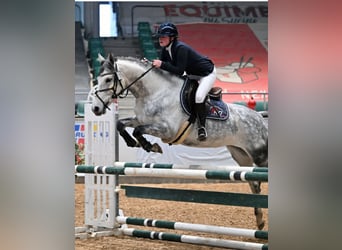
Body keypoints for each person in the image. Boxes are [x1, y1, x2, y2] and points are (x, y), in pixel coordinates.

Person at [152, 22, 216, 141]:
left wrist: (161, 64)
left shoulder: (181, 48)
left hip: (206, 74)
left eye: (163, 36)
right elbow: (164, 68)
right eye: (159, 36)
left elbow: (179, 71)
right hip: (191, 74)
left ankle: (202, 127)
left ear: (172, 38)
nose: (160, 39)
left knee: (199, 96)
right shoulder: (166, 49)